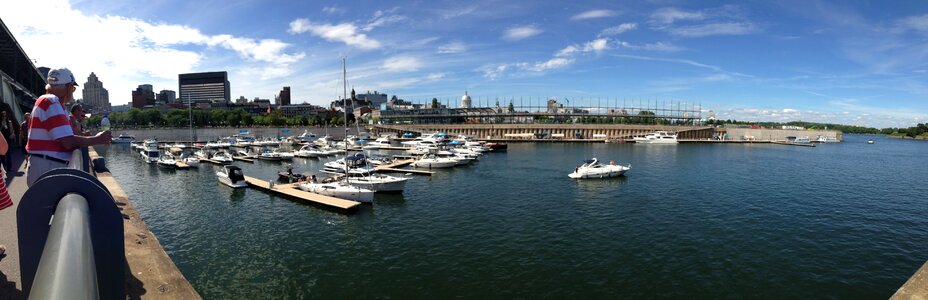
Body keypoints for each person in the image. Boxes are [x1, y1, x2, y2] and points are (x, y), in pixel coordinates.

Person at [26, 67, 111, 187]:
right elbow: (68, 141)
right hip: (49, 167)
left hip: (45, 165)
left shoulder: (49, 102)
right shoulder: (52, 101)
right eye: (73, 88)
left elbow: (68, 137)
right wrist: (97, 139)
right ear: (67, 87)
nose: (72, 91)